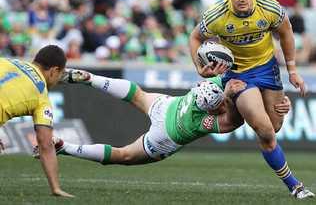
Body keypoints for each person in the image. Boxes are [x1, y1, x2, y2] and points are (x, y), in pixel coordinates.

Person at [35, 69, 296, 196]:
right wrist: (274, 107)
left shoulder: (204, 91)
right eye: (221, 107)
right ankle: (64, 147)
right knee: (124, 155)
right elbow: (235, 121)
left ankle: (90, 78)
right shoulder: (202, 123)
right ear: (216, 109)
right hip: (167, 134)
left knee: (136, 94)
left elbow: (220, 80)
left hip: (168, 104)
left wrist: (226, 87)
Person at [189, 0, 313, 199]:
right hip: (237, 74)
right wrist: (199, 67)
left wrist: (293, 71)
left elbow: (286, 32)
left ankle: (233, 109)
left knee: (274, 126)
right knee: (265, 131)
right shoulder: (216, 16)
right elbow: (195, 37)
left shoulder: (269, 7)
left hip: (267, 68)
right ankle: (295, 186)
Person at [0, 45, 73, 197]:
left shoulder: (10, 61)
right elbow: (45, 144)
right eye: (60, 75)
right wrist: (56, 188)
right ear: (54, 71)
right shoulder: (42, 96)